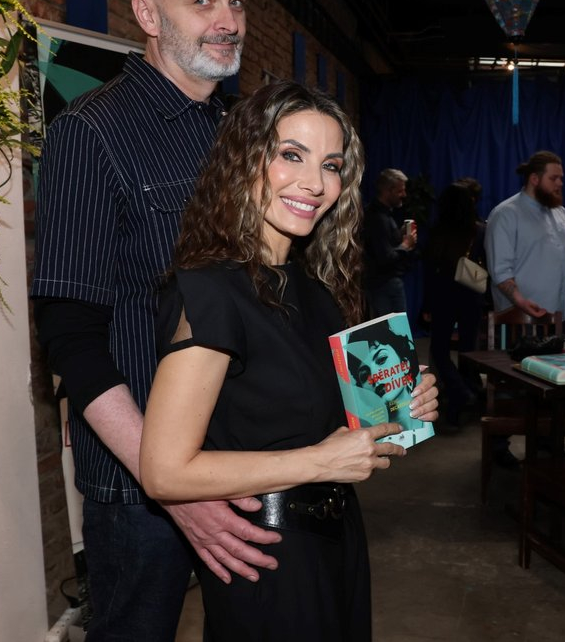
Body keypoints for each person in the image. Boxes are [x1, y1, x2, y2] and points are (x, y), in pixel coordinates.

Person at [30, 0, 280, 641]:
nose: (227, 20)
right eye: (202, 1)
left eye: (236, 2)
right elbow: (70, 337)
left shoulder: (239, 133)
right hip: (140, 487)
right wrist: (168, 481)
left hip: (238, 458)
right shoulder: (91, 133)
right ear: (147, 14)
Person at [139, 81, 440, 640]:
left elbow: (334, 429)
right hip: (268, 559)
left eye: (331, 165)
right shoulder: (210, 290)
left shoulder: (317, 288)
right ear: (244, 159)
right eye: (291, 155)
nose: (315, 183)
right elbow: (164, 471)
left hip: (339, 539)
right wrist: (319, 462)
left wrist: (401, 406)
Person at [485, 151, 565, 332]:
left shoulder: (561, 213)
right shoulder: (506, 214)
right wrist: (521, 301)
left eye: (561, 178)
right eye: (554, 178)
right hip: (524, 317)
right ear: (534, 179)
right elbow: (500, 270)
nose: (560, 183)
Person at [423, 179, 487, 431]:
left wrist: (427, 305)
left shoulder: (437, 231)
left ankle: (459, 394)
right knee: (468, 350)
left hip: (444, 296)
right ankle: (466, 396)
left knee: (439, 350)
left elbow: (430, 271)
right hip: (471, 295)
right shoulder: (479, 231)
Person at [363, 168, 417, 317]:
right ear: (388, 191)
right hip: (384, 286)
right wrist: (405, 245)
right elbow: (384, 258)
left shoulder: (379, 214)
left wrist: (398, 236)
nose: (404, 195)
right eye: (400, 191)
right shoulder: (378, 218)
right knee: (394, 330)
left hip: (381, 285)